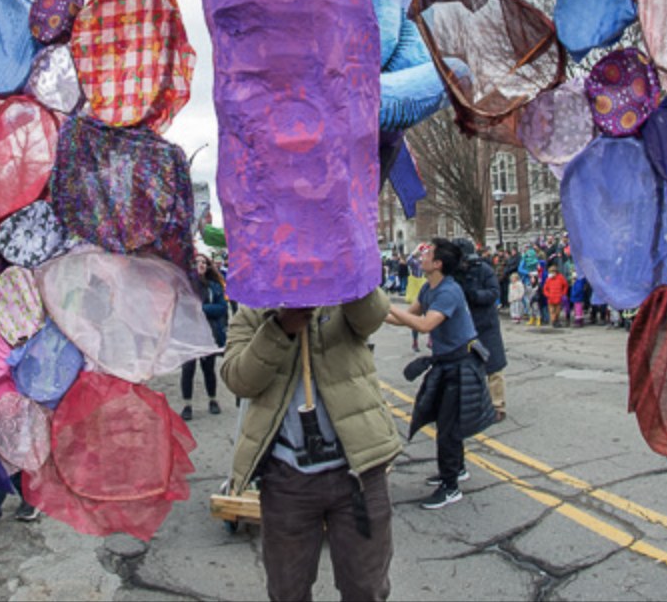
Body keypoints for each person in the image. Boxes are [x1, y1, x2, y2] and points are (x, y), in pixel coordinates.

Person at [220, 282, 399, 601]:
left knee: (366, 588)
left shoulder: (344, 292)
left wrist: (349, 276)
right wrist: (280, 328)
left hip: (358, 475)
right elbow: (238, 379)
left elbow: (372, 317)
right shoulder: (252, 310)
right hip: (287, 481)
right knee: (287, 590)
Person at [386, 239, 489, 509]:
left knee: (448, 427)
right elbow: (406, 317)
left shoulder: (448, 292)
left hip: (461, 364)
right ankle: (459, 469)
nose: (422, 256)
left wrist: (387, 307)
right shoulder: (429, 289)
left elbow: (425, 324)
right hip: (446, 363)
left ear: (438, 264)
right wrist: (372, 311)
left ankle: (451, 486)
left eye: (427, 253)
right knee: (446, 421)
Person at [458, 245, 507, 423]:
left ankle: (497, 405)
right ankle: (475, 404)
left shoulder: (484, 269)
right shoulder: (455, 274)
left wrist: (475, 295)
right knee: (469, 368)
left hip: (486, 323)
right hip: (466, 325)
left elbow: (494, 292)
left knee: (494, 367)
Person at [181, 253, 228, 420]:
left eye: (203, 262)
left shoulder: (214, 286)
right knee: (188, 370)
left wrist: (202, 310)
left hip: (209, 333)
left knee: (208, 369)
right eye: (197, 262)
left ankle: (213, 400)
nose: (200, 264)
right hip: (189, 334)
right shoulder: (185, 285)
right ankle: (187, 404)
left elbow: (222, 308)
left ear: (207, 266)